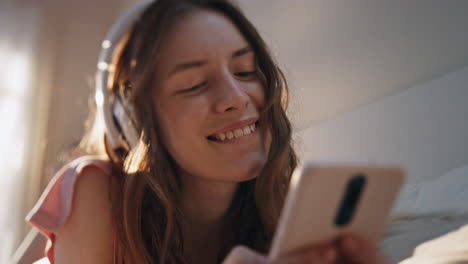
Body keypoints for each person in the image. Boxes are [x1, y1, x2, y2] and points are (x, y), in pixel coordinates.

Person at [22, 0, 388, 263]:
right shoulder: (94, 189)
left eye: (245, 71)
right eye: (194, 84)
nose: (236, 97)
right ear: (138, 121)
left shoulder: (278, 208)